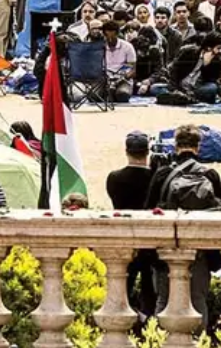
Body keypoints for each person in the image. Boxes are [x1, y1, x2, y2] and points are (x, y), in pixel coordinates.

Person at [144, 125, 221, 328]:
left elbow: (148, 212)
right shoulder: (211, 175)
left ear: (175, 145)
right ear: (199, 146)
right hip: (200, 250)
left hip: (166, 248)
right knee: (198, 301)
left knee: (164, 299)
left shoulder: (162, 174)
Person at [106, 131, 159, 317]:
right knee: (150, 290)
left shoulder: (114, 178)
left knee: (123, 287)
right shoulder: (156, 177)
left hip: (125, 239)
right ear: (148, 152)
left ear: (126, 151)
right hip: (152, 240)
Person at [103, 20, 136, 103]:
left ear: (117, 34)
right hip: (105, 80)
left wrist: (120, 79)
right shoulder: (100, 47)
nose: (110, 40)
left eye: (112, 37)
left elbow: (133, 69)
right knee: (94, 96)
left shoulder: (128, 47)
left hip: (123, 80)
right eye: (107, 37)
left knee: (123, 95)